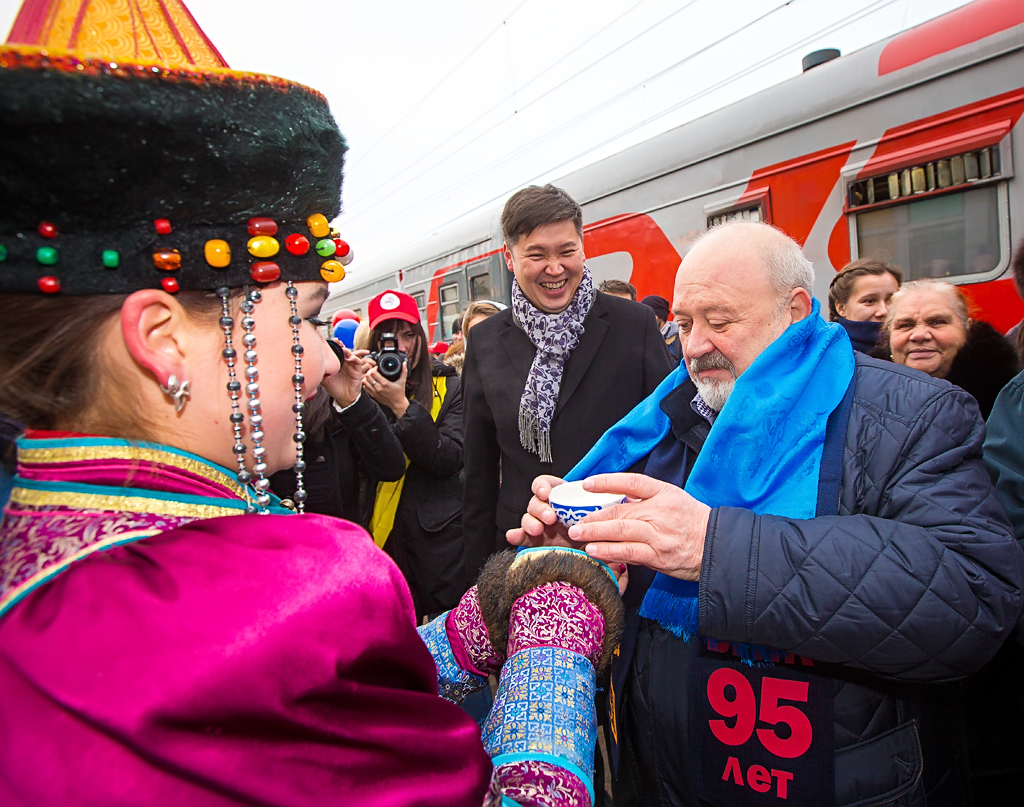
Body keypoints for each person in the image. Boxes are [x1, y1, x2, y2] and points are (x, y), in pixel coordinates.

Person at [0, 3, 620, 804]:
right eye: (300, 320)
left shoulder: (47, 541)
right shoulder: (284, 588)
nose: (326, 354)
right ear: (159, 337)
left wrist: (474, 625)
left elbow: (317, 712)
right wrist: (552, 645)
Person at [511, 220, 1024, 806]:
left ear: (795, 311)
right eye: (683, 324)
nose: (694, 346)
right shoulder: (667, 418)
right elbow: (646, 591)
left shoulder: (915, 414)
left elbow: (971, 596)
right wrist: (587, 550)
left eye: (720, 321)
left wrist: (716, 549)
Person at [461, 185, 672, 581]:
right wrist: (477, 583)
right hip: (524, 552)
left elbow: (669, 438)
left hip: (623, 548)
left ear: (582, 247)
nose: (555, 268)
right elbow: (479, 474)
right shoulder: (485, 340)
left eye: (566, 251)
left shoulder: (633, 325)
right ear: (509, 257)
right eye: (537, 255)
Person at [364, 289, 466, 620]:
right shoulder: (363, 387)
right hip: (381, 534)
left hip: (439, 541)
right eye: (389, 338)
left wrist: (400, 405)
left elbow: (450, 457)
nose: (401, 348)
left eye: (409, 335)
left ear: (421, 336)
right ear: (375, 344)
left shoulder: (448, 385)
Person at [269, 342, 407, 524]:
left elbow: (390, 467)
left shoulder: (334, 404)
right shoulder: (263, 405)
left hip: (339, 537)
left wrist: (353, 401)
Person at [883, 278, 1019, 417]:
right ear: (889, 333)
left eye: (937, 322)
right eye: (906, 325)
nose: (919, 335)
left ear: (967, 328)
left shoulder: (1011, 397)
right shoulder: (864, 391)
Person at [827, 257, 902, 353]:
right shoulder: (827, 355)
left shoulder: (913, 349)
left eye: (890, 300)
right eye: (870, 301)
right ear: (841, 308)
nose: (884, 311)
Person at [640, 293, 682, 364]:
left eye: (649, 314)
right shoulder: (639, 338)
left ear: (661, 316)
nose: (645, 318)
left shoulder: (679, 339)